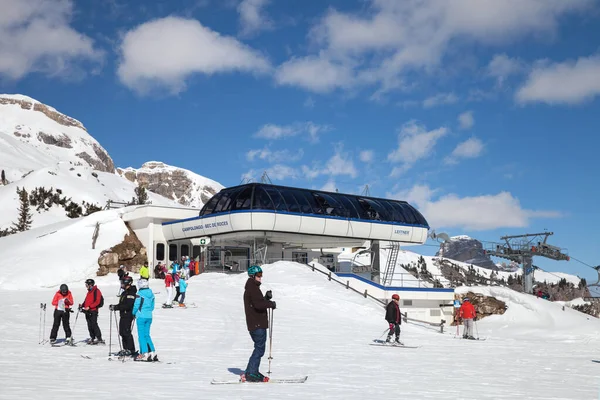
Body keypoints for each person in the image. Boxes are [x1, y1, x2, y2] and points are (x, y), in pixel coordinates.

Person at [242, 265, 276, 383]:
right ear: (253, 276)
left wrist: (265, 299)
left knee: (258, 348)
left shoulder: (252, 287)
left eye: (261, 275)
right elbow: (258, 305)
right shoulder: (253, 288)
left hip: (255, 324)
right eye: (259, 275)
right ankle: (251, 373)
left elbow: (257, 302)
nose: (261, 278)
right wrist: (270, 304)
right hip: (257, 324)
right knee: (259, 349)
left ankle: (250, 371)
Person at [109, 275, 137, 357]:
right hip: (123, 314)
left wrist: (117, 307)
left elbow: (128, 305)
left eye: (122, 283)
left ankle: (131, 349)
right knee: (122, 332)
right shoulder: (125, 292)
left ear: (127, 283)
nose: (121, 284)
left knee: (126, 332)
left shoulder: (131, 292)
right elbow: (122, 304)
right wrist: (115, 306)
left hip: (128, 315)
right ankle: (125, 348)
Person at [133, 279, 158, 362]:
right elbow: (152, 306)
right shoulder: (151, 294)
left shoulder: (139, 294)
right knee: (147, 335)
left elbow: (136, 305)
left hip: (141, 316)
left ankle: (144, 353)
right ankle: (152, 352)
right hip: (149, 316)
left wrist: (133, 313)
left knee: (141, 336)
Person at [80, 279, 104, 344]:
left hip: (93, 311)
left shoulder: (97, 291)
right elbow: (86, 301)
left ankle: (98, 338)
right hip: (87, 311)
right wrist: (82, 305)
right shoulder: (89, 292)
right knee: (89, 325)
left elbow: (97, 301)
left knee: (94, 324)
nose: (86, 286)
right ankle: (92, 337)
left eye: (87, 285)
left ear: (90, 285)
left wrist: (90, 307)